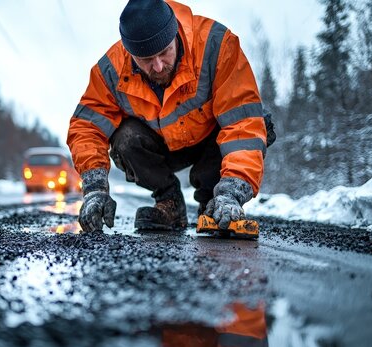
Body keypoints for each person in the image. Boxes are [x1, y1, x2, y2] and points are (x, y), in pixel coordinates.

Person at [67, 0, 274, 232]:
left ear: (175, 33)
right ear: (129, 53)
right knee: (125, 138)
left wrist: (233, 191)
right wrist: (95, 189)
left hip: (210, 143)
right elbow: (86, 127)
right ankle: (170, 202)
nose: (157, 67)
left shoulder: (216, 46)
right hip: (162, 149)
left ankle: (214, 201)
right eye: (146, 60)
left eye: (164, 53)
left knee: (257, 119)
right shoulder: (111, 71)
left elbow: (242, 122)